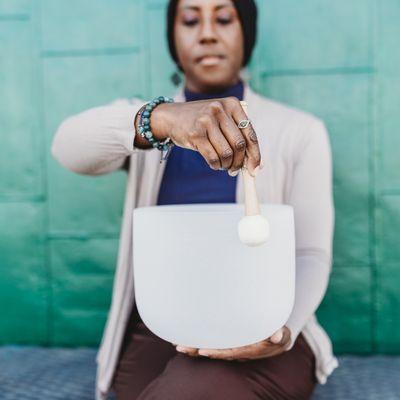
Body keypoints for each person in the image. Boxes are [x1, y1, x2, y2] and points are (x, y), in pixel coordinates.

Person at [51, 0, 338, 399]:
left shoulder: (300, 131)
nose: (206, 32)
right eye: (190, 19)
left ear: (246, 33)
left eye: (223, 18)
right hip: (163, 326)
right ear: (173, 35)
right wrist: (162, 119)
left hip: (267, 320)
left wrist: (283, 328)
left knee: (194, 388)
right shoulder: (150, 127)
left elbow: (310, 252)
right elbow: (67, 147)